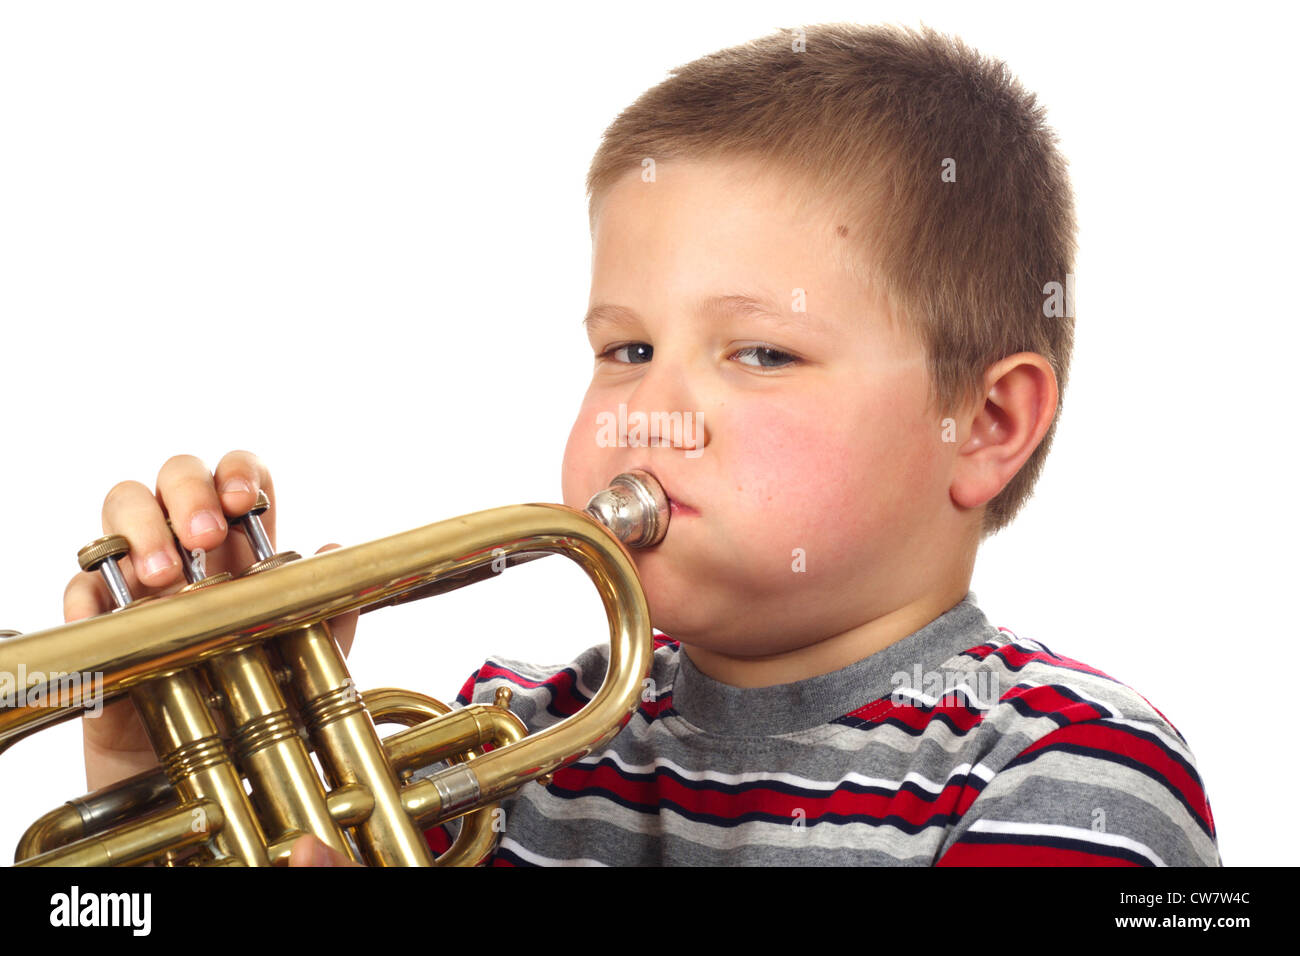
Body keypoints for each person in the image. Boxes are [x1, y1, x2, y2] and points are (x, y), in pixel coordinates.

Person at [68, 22, 1219, 866]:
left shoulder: (1078, 775)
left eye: (760, 353)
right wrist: (153, 787)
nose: (645, 415)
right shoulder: (497, 746)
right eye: (623, 350)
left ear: (985, 423)